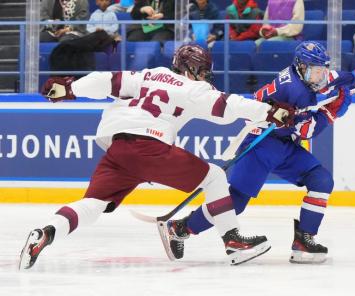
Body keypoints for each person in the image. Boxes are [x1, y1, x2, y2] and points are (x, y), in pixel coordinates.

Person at [19, 44, 295, 270]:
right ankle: (233, 242)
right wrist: (269, 112)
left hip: (118, 149)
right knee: (214, 177)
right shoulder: (191, 87)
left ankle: (46, 232)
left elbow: (106, 81)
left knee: (94, 203)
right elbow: (226, 106)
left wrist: (70, 88)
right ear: (192, 68)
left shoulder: (145, 74)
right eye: (202, 71)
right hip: (148, 146)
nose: (205, 77)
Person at [162, 41, 355, 263]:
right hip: (261, 143)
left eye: (321, 71)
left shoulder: (305, 76)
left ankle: (304, 240)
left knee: (321, 180)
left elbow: (333, 79)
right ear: (302, 68)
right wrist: (331, 113)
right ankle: (180, 228)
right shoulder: (294, 89)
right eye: (316, 72)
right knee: (236, 202)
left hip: (283, 144)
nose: (320, 76)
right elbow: (305, 130)